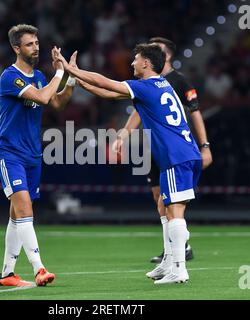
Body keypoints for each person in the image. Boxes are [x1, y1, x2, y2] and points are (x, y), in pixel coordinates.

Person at [54, 43, 201, 284]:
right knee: (167, 207)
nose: (132, 63)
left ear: (146, 63)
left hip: (177, 155)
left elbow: (107, 83)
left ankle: (179, 269)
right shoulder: (161, 85)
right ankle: (168, 264)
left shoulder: (147, 86)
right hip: (183, 152)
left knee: (175, 210)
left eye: (135, 59)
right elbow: (109, 93)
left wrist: (74, 70)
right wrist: (78, 80)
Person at [0, 24, 76, 287]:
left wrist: (71, 78)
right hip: (10, 153)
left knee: (17, 216)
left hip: (32, 154)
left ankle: (7, 274)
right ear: (16, 48)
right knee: (25, 209)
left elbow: (57, 102)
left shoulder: (40, 75)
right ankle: (39, 269)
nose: (36, 47)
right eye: (29, 44)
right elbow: (41, 98)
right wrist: (60, 72)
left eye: (37, 42)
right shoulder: (10, 77)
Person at [119, 37, 213, 264]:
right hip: (157, 145)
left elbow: (195, 112)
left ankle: (179, 253)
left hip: (176, 147)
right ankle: (170, 251)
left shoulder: (179, 82)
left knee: (172, 200)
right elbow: (139, 110)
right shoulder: (150, 82)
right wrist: (125, 133)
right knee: (160, 198)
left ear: (166, 55)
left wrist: (205, 145)